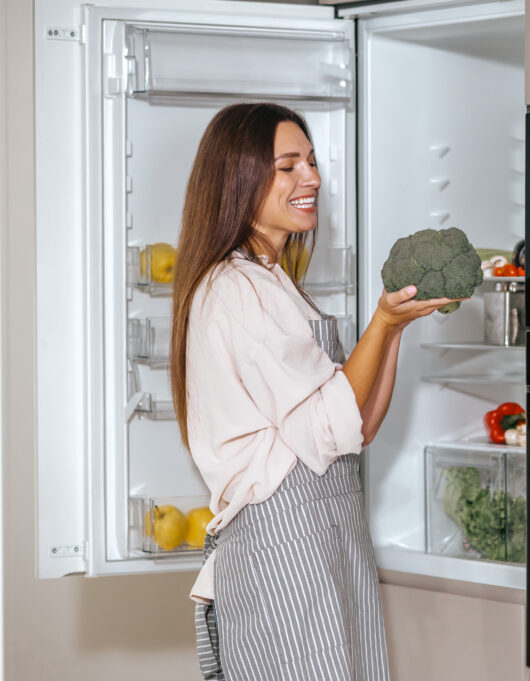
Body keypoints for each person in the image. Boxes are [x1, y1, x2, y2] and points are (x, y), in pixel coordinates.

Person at [169, 102, 456, 681]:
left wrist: (392, 329)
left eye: (313, 162)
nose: (314, 179)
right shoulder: (234, 288)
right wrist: (378, 321)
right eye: (288, 166)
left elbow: (357, 427)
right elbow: (327, 426)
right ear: (239, 178)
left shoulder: (274, 281)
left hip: (328, 533)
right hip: (284, 541)